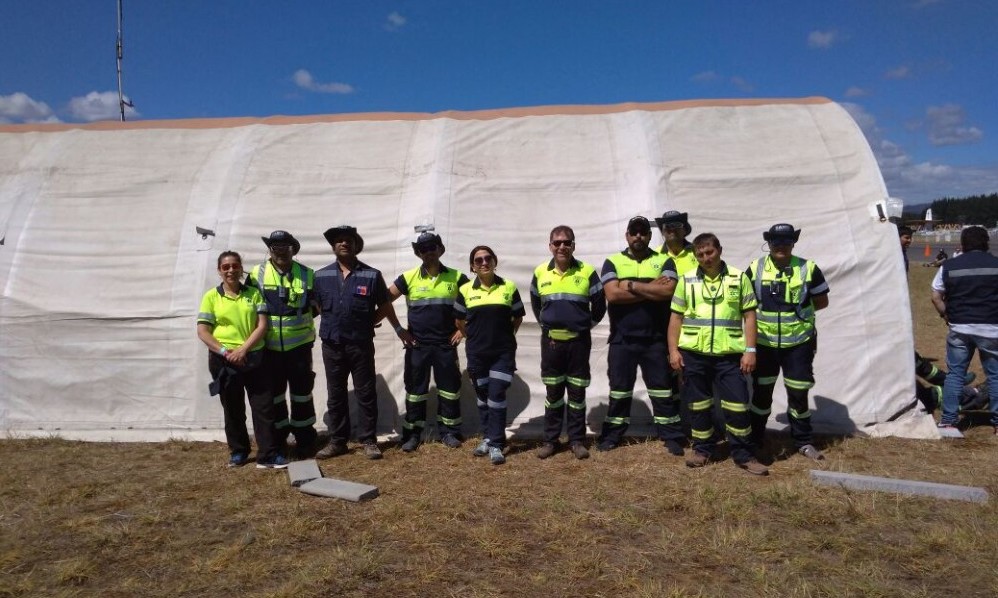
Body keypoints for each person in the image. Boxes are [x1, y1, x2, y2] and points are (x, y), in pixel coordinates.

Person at [668, 233, 767, 475]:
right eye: (700, 254)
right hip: (694, 354)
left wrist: (750, 351)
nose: (705, 258)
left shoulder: (738, 277)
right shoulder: (687, 280)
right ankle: (703, 450)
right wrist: (673, 350)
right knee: (698, 406)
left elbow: (750, 316)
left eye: (709, 252)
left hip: (729, 355)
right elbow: (676, 318)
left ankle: (744, 455)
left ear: (719, 250)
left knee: (737, 406)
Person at [314, 226, 409, 460]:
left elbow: (385, 305)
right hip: (332, 345)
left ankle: (368, 440)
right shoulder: (320, 276)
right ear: (333, 247)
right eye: (339, 241)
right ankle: (338, 441)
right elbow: (316, 306)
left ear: (356, 246)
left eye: (348, 241)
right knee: (335, 394)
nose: (344, 244)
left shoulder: (372, 275)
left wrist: (383, 324)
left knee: (365, 393)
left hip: (360, 345)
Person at [597, 216, 683, 454]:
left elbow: (669, 291)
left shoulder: (664, 260)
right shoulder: (612, 261)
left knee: (662, 391)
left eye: (643, 232)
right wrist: (650, 288)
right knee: (619, 391)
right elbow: (612, 295)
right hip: (621, 340)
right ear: (627, 235)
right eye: (633, 232)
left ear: (649, 235)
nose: (638, 236)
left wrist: (632, 285)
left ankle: (672, 436)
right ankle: (611, 436)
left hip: (655, 339)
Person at [745, 224, 830, 461]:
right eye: (775, 242)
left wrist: (799, 315)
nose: (780, 246)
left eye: (786, 241)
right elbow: (746, 303)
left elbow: (822, 301)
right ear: (769, 244)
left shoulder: (808, 268)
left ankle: (803, 442)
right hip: (765, 344)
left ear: (793, 243)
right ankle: (756, 439)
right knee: (761, 395)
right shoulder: (755, 268)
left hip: (799, 345)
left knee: (798, 395)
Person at [197, 251, 286, 469]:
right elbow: (203, 331)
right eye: (226, 267)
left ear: (240, 268)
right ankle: (239, 451)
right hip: (224, 361)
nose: (231, 270)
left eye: (235, 266)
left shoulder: (254, 294)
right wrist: (227, 352)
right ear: (219, 270)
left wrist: (243, 349)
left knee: (263, 407)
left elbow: (262, 325)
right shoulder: (211, 296)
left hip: (254, 357)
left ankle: (268, 454)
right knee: (233, 408)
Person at [530, 225, 606, 460]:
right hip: (551, 343)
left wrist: (583, 326)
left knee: (576, 393)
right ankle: (551, 441)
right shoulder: (541, 272)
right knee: (553, 393)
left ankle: (576, 441)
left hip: (578, 344)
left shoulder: (587, 272)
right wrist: (549, 325)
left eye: (567, 242)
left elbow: (600, 306)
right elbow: (535, 305)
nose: (562, 246)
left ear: (574, 245)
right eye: (557, 243)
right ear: (550, 246)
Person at [388, 230, 468, 452]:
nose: (428, 252)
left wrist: (463, 331)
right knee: (415, 392)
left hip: (446, 344)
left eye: (432, 247)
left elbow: (475, 303)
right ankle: (413, 435)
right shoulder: (407, 278)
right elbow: (384, 301)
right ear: (418, 253)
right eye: (423, 249)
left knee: (449, 390)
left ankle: (450, 433)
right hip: (417, 345)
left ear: (440, 249)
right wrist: (398, 329)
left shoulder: (457, 277)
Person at [246, 230, 318, 458]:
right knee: (274, 396)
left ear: (292, 250)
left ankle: (305, 437)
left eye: (285, 248)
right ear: (269, 250)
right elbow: (248, 307)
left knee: (302, 395)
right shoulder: (256, 274)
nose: (280, 253)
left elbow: (318, 304)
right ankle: (278, 439)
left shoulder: (307, 274)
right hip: (269, 350)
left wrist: (299, 317)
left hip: (300, 348)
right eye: (275, 248)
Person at [455, 245, 525, 465]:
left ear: (495, 261)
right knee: (483, 396)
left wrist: (505, 336)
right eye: (478, 260)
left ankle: (496, 444)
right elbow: (459, 321)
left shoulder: (509, 286)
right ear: (472, 267)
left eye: (488, 258)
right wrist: (473, 338)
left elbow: (518, 317)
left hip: (502, 353)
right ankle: (487, 437)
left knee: (496, 395)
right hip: (477, 354)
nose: (484, 263)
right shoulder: (465, 290)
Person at [931, 226, 998, 434]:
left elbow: (935, 296)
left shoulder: (949, 266)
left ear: (963, 244)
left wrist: (946, 315)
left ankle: (949, 421)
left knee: (955, 374)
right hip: (991, 327)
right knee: (995, 375)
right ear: (986, 242)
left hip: (960, 327)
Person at [655, 210, 699, 276]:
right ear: (662, 232)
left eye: (677, 225)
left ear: (684, 230)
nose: (672, 229)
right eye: (667, 226)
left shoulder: (698, 252)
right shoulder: (655, 255)